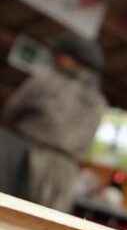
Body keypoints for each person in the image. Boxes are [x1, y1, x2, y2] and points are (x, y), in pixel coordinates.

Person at [1, 33, 107, 212]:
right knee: (41, 226)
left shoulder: (48, 80)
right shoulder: (99, 102)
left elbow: (11, 111)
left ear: (71, 59)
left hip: (27, 159)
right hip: (65, 175)